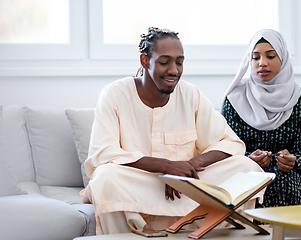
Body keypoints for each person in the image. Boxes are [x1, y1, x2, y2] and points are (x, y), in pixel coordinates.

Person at [82, 27, 264, 235]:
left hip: (186, 186)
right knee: (107, 176)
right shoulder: (114, 94)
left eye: (179, 62)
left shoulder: (190, 94)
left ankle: (217, 234)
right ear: (144, 60)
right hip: (141, 183)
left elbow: (231, 143)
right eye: (164, 62)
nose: (174, 70)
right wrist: (166, 166)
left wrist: (188, 167)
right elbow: (103, 153)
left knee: (245, 166)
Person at [221, 29, 301, 208]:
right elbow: (229, 149)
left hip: (292, 177)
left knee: (281, 180)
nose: (262, 63)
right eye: (255, 57)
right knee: (264, 182)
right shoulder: (235, 99)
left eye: (270, 56)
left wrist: (293, 160)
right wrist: (249, 159)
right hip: (248, 175)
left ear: (283, 58)